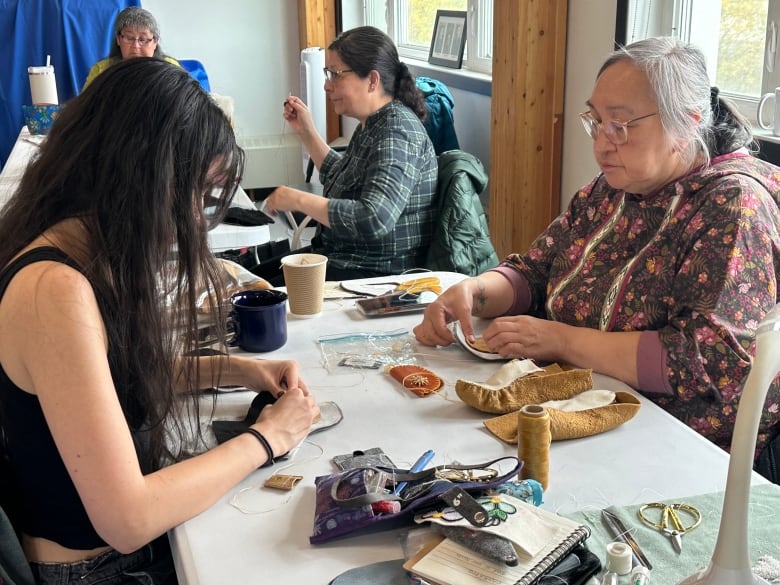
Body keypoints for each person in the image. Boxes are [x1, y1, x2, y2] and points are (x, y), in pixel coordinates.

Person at [0, 58, 319, 583]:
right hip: (102, 569)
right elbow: (129, 518)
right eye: (195, 193)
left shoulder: (75, 251)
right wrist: (268, 438)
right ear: (142, 177)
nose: (197, 216)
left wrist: (240, 370)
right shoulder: (52, 291)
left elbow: (103, 383)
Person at [414, 37, 780, 470]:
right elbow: (536, 270)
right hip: (583, 404)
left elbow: (703, 360)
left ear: (687, 123)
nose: (602, 144)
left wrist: (561, 340)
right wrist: (474, 292)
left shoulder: (733, 205)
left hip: (679, 447)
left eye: (621, 126)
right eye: (597, 121)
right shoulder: (611, 188)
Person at [263, 26, 438, 281]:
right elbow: (344, 175)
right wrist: (307, 132)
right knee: (246, 279)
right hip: (348, 260)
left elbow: (374, 218)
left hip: (374, 275)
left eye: (335, 74)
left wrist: (298, 200)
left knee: (248, 295)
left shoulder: (396, 131)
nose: (326, 85)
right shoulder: (375, 123)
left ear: (373, 80)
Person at [82, 6, 180, 91]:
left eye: (143, 39)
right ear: (118, 39)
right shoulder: (101, 71)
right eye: (129, 38)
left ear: (155, 42)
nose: (136, 45)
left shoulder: (171, 68)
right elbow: (85, 108)